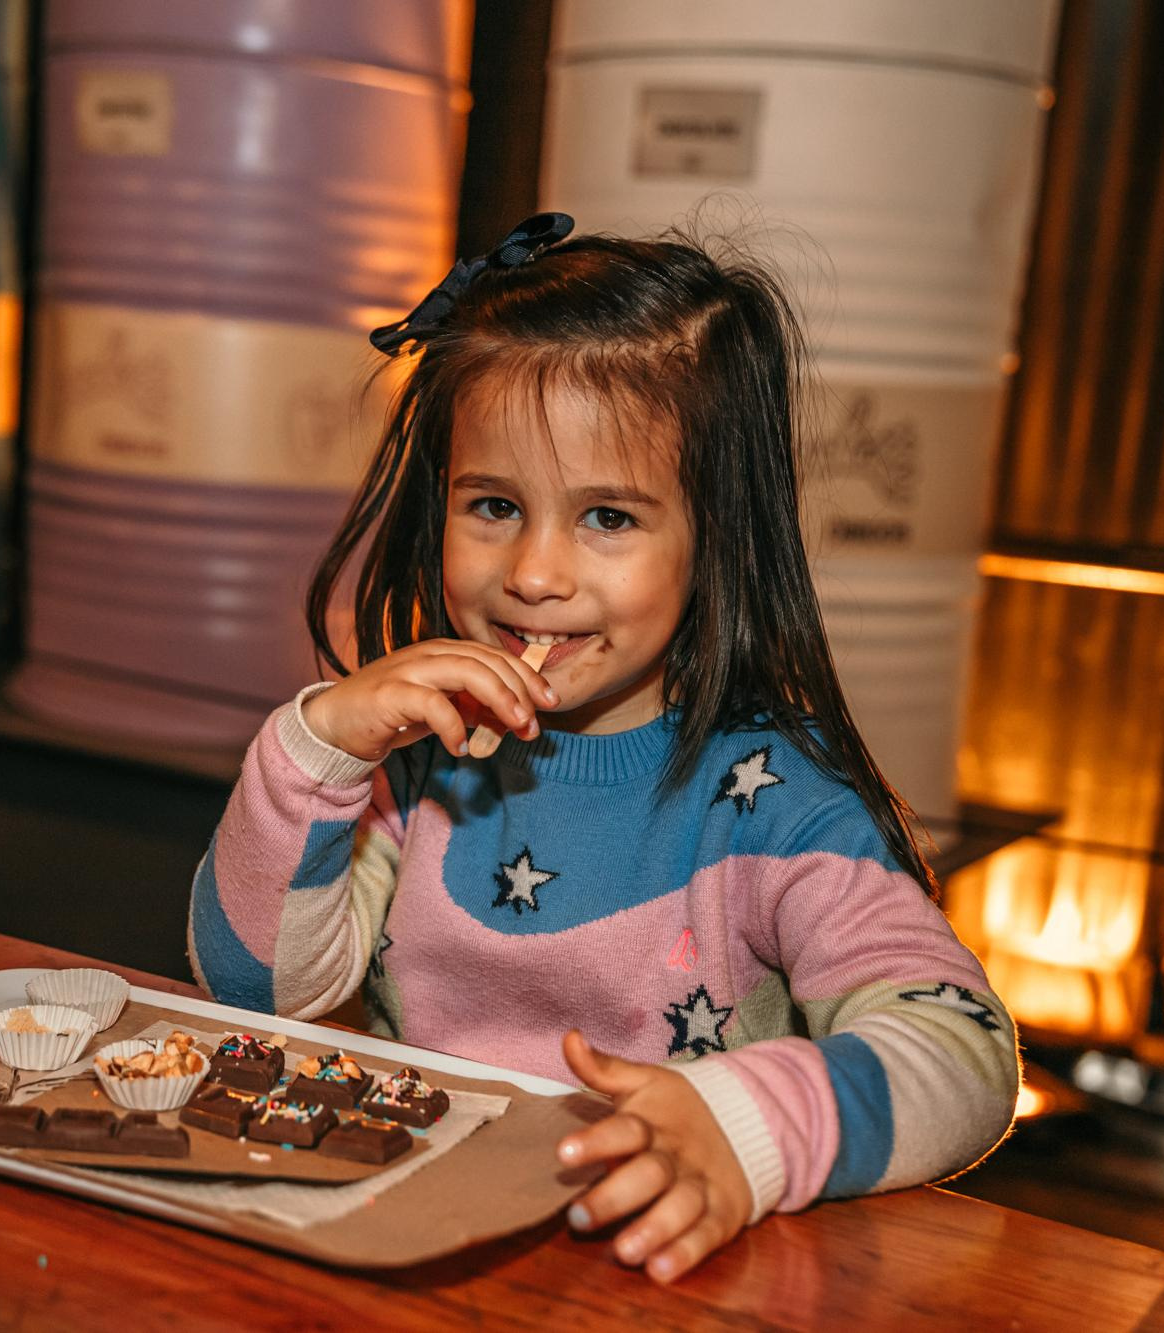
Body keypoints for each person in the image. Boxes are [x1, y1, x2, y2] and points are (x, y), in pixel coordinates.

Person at [188, 214, 1018, 1281]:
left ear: (716, 533)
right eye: (492, 505)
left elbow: (963, 1056)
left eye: (608, 518)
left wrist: (745, 1128)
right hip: (399, 1256)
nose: (534, 572)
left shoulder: (777, 807)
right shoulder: (419, 753)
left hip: (661, 1274)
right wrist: (316, 749)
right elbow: (257, 996)